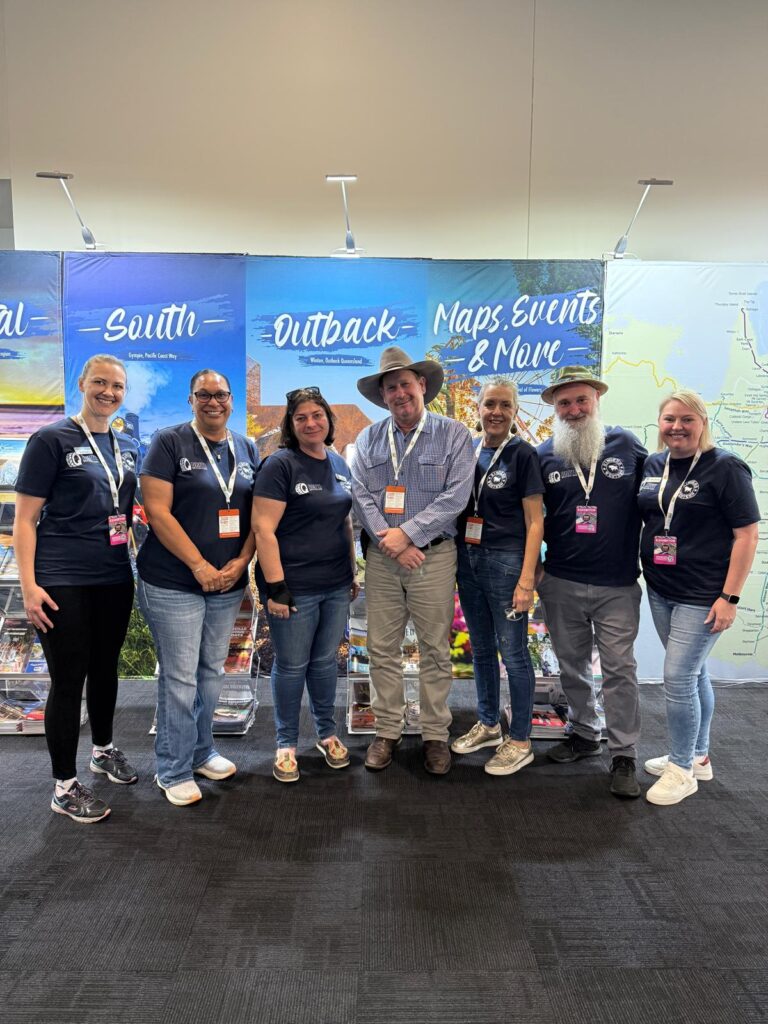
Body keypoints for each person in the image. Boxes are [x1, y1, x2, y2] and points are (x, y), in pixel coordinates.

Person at [13, 354, 139, 824]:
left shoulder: (125, 444)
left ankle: (103, 750)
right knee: (68, 679)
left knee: (106, 669)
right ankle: (63, 786)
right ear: (82, 383)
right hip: (62, 577)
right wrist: (29, 585)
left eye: (118, 386)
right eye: (101, 383)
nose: (109, 392)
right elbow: (25, 520)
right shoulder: (51, 439)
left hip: (113, 574)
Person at [350, 346, 475, 775]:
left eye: (405, 383)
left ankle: (435, 734)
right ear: (382, 396)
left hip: (434, 557)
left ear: (422, 386)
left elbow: (456, 496)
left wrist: (409, 534)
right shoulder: (368, 439)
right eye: (391, 387)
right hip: (384, 558)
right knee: (381, 648)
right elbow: (360, 495)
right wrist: (394, 542)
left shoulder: (455, 434)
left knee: (435, 649)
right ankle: (387, 731)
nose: (399, 393)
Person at [137, 369, 258, 807]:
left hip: (226, 584)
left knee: (210, 673)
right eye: (204, 394)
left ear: (231, 399)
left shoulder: (247, 447)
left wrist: (242, 562)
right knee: (180, 677)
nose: (214, 401)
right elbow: (157, 511)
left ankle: (202, 750)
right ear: (190, 399)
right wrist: (200, 565)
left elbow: (256, 515)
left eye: (221, 394)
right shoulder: (169, 443)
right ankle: (171, 769)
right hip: (173, 582)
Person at [638, 389, 760, 806]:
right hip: (660, 588)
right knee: (694, 673)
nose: (677, 427)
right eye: (670, 419)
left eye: (687, 419)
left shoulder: (725, 468)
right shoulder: (655, 464)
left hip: (704, 593)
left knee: (677, 678)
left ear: (702, 423)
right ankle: (699, 755)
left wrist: (730, 597)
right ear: (660, 423)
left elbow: (747, 535)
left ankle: (681, 768)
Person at [535, 365, 647, 798]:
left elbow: (655, 501)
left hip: (617, 584)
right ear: (555, 409)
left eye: (582, 400)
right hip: (561, 580)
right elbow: (533, 519)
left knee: (620, 669)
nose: (574, 409)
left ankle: (624, 754)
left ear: (597, 401)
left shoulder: (628, 446)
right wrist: (533, 571)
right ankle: (584, 733)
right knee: (571, 665)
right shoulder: (545, 454)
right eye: (565, 403)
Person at [253, 387, 358, 783]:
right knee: (293, 665)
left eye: (317, 415)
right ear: (291, 425)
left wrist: (351, 572)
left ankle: (327, 734)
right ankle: (285, 743)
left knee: (325, 663)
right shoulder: (280, 465)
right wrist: (276, 588)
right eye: (301, 418)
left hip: (334, 584)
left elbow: (345, 522)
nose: (311, 423)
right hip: (293, 588)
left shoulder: (337, 463)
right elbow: (263, 528)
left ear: (328, 420)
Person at [451, 379, 545, 775]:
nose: (496, 412)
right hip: (467, 559)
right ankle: (489, 724)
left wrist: (526, 580)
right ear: (477, 407)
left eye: (505, 405)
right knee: (482, 648)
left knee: (515, 654)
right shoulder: (468, 449)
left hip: (506, 562)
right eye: (490, 403)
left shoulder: (523, 454)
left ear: (514, 411)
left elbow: (535, 521)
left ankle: (520, 739)